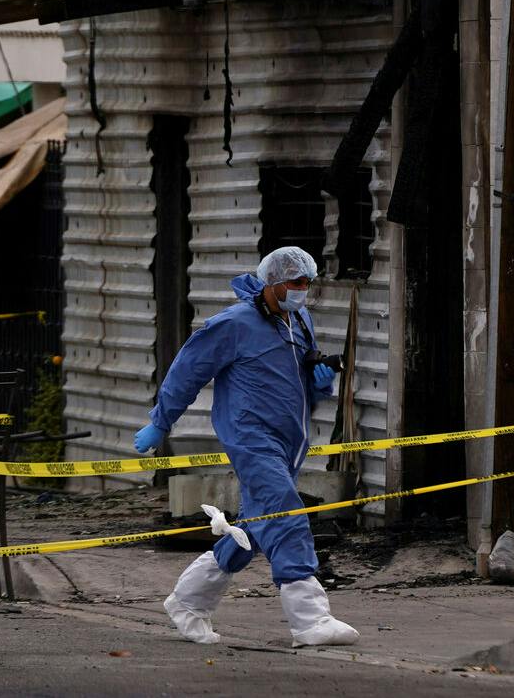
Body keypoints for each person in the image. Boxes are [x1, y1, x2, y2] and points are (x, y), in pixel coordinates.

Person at [132, 246, 359, 647]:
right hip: (252, 439)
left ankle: (187, 603)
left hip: (290, 441)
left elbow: (303, 378)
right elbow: (188, 369)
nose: (303, 290)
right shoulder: (234, 324)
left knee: (254, 529)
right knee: (287, 513)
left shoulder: (298, 320)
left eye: (308, 282)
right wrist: (160, 422)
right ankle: (310, 619)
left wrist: (321, 379)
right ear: (272, 283)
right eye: (295, 283)